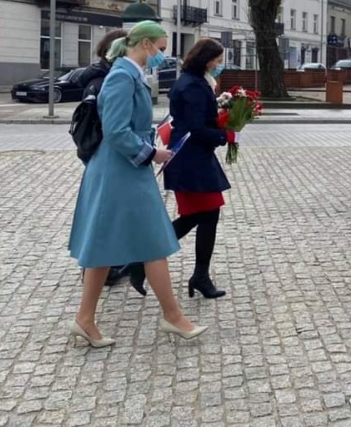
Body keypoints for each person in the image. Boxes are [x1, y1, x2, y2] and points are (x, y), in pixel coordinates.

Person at [68, 20, 207, 347]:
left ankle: (85, 319)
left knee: (107, 245)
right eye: (161, 48)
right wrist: (151, 154)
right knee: (152, 242)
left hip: (124, 171)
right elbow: (116, 131)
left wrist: (153, 142)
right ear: (146, 44)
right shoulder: (122, 76)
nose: (163, 55)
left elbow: (127, 126)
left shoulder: (130, 74)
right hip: (120, 172)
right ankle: (172, 317)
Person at [130, 38, 235, 299]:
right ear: (206, 60)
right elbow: (196, 128)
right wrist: (224, 135)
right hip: (191, 161)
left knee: (204, 215)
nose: (219, 65)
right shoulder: (194, 86)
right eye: (217, 61)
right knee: (199, 216)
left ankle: (199, 275)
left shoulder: (191, 81)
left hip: (193, 159)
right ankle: (144, 260)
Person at [75, 28, 130, 288]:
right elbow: (110, 124)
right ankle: (98, 268)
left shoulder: (102, 76)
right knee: (103, 214)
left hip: (97, 150)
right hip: (102, 151)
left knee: (107, 212)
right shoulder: (106, 80)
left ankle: (110, 263)